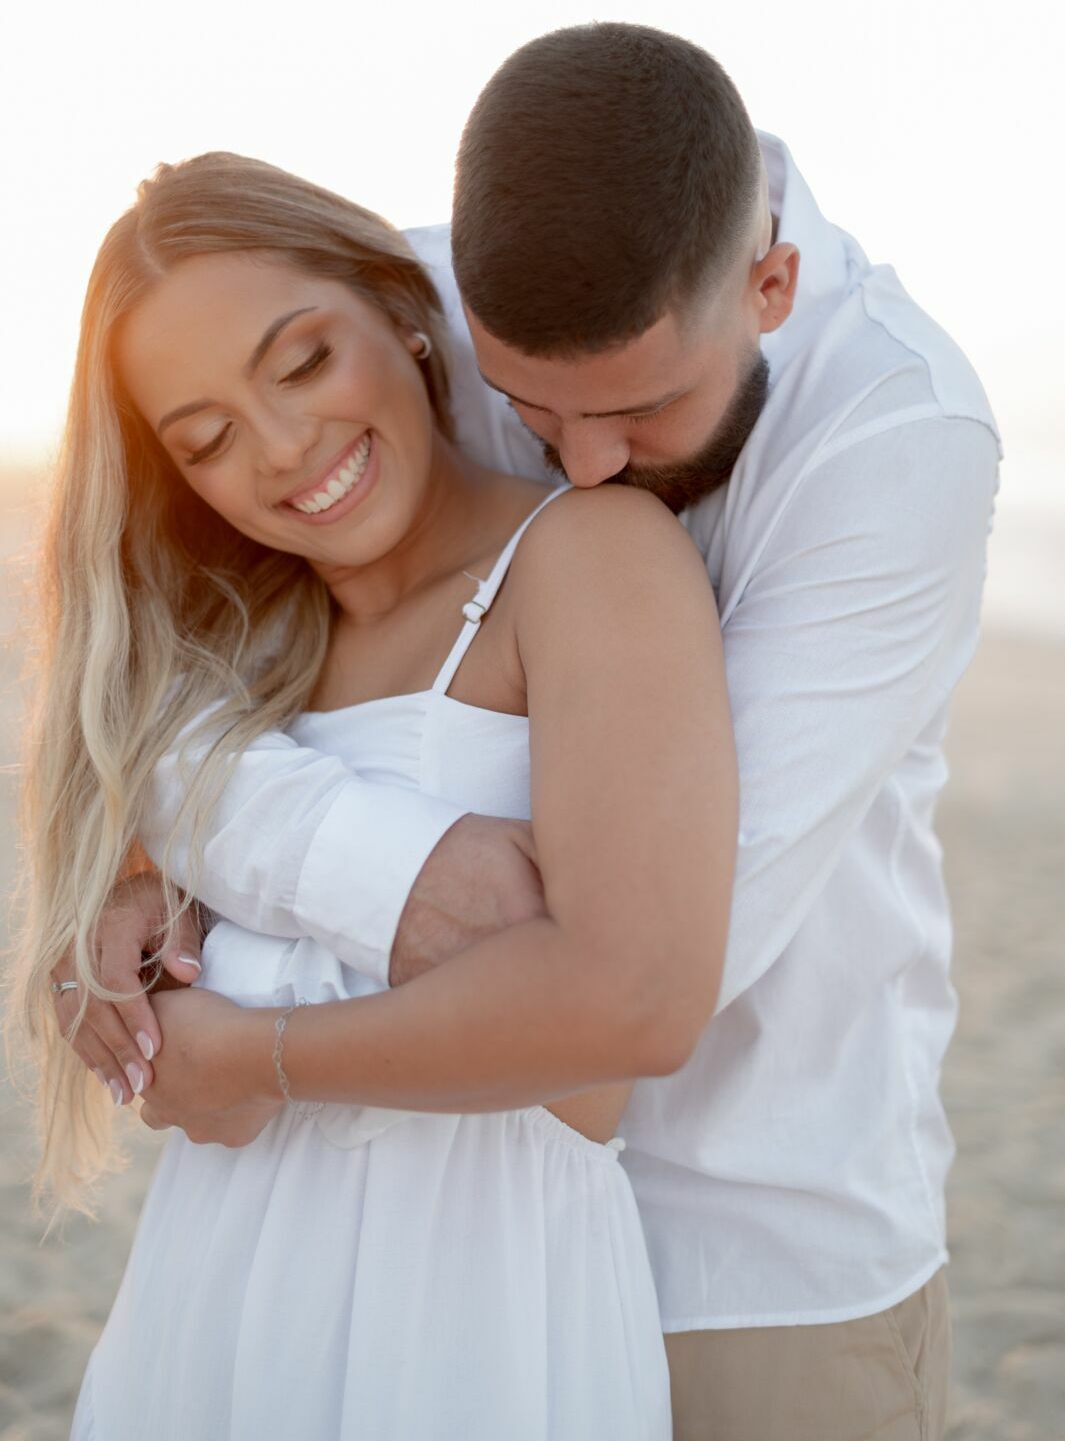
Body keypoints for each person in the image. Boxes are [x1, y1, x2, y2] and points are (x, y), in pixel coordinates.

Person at [54, 22, 1000, 1441]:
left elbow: (638, 969)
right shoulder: (420, 307)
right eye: (525, 405)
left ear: (771, 287)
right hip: (292, 1249)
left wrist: (256, 1035)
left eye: (639, 405)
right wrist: (145, 864)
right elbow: (201, 668)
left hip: (757, 1243)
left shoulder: (892, 441)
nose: (583, 458)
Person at [7, 150, 738, 1438]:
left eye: (301, 362)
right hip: (218, 1282)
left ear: (403, 312)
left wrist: (265, 1059)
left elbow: (623, 1014)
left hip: (480, 1299)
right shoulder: (236, 660)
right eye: (210, 438)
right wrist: (130, 889)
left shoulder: (590, 559)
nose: (288, 449)